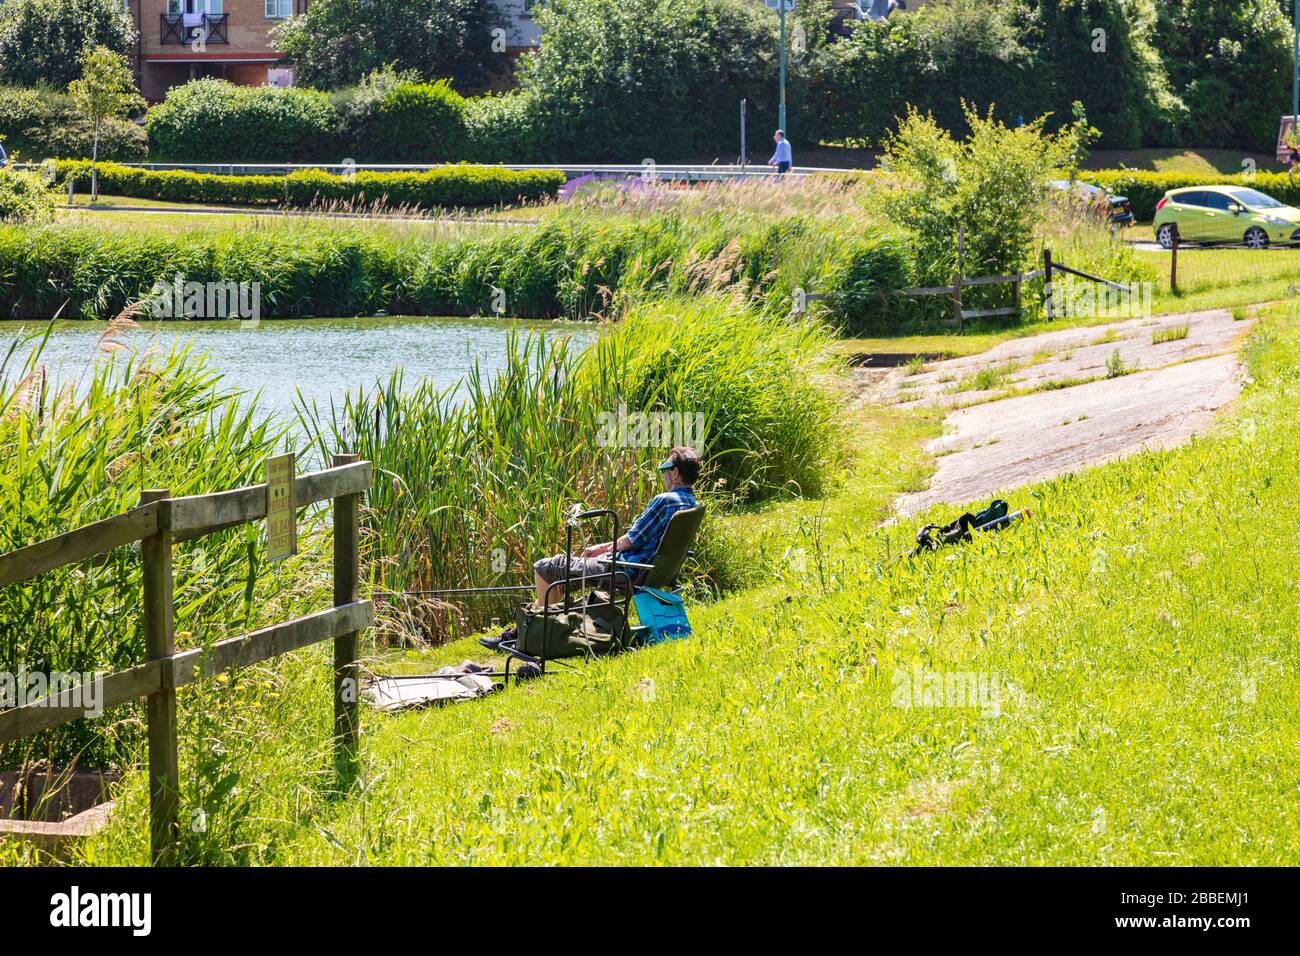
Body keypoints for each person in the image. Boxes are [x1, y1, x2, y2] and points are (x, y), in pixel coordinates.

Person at [481, 447, 701, 650]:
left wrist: (599, 549)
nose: (662, 474)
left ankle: (531, 636)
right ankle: (519, 632)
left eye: (664, 469)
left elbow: (631, 540)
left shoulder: (665, 500)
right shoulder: (692, 503)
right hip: (648, 570)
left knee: (546, 567)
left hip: (626, 569)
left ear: (675, 473)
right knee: (564, 575)